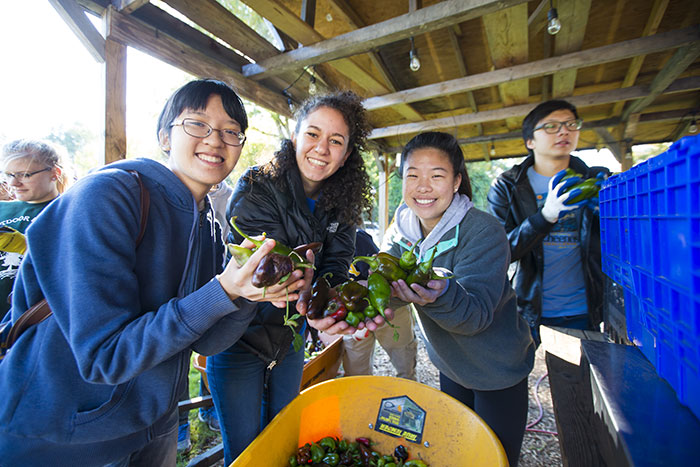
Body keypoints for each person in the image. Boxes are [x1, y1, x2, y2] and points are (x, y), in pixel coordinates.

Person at [0, 79, 308, 466]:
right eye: (197, 124)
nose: (215, 140)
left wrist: (244, 295)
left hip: (154, 429)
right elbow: (104, 357)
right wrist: (221, 290)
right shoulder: (108, 196)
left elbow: (208, 342)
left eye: (231, 132)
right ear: (165, 137)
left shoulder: (210, 224)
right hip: (63, 436)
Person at [310, 131, 535, 466]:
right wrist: (350, 311)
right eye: (412, 175)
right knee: (457, 450)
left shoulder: (484, 231)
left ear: (457, 181)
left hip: (497, 368)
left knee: (495, 457)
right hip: (449, 362)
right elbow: (384, 287)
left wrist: (439, 296)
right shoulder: (401, 230)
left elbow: (475, 316)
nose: (423, 186)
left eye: (437, 176)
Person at [208, 90, 388, 464]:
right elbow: (257, 263)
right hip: (239, 338)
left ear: (347, 154)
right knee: (246, 453)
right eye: (313, 134)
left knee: (288, 441)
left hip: (289, 344)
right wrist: (301, 287)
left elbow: (336, 267)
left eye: (336, 141)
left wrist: (334, 306)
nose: (322, 148)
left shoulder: (343, 202)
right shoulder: (258, 185)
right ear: (294, 138)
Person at [487, 99, 610, 345]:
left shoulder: (599, 179)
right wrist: (545, 216)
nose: (564, 131)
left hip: (584, 308)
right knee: (517, 376)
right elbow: (501, 251)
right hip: (528, 307)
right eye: (551, 126)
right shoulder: (508, 186)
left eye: (571, 124)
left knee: (580, 380)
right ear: (529, 141)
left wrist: (609, 215)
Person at [0, 139, 64, 321]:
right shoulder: (2, 208)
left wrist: (27, 247)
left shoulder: (69, 210)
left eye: (25, 175)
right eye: (8, 175)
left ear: (54, 173)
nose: (13, 183)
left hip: (33, 319)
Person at [341, 229, 417, 380]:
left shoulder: (358, 238)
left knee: (404, 360)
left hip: (391, 306)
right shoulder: (316, 249)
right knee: (355, 370)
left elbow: (381, 267)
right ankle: (363, 400)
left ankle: (408, 394)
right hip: (355, 315)